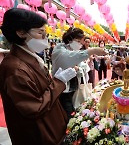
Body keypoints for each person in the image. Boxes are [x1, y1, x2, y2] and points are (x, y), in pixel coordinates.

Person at [0, 8, 77, 145]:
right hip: (41, 136)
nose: (45, 38)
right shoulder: (14, 69)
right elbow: (35, 106)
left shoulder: (29, 58)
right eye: (41, 33)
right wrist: (59, 82)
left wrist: (55, 80)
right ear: (21, 33)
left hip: (52, 128)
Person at [52, 28, 106, 119]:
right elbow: (70, 58)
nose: (80, 44)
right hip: (62, 89)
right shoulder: (60, 49)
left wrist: (79, 68)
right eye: (78, 41)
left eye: (81, 42)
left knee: (73, 108)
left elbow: (83, 65)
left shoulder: (72, 50)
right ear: (69, 39)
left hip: (72, 86)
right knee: (69, 113)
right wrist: (92, 51)